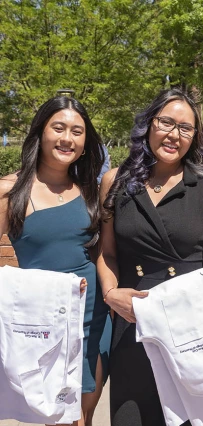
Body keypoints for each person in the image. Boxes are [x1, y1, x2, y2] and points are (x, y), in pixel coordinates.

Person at [97, 88, 203, 426]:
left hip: (189, 322)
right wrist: (111, 294)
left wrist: (171, 301)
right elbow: (107, 252)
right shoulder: (115, 181)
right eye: (166, 123)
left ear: (195, 137)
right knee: (132, 416)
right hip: (132, 320)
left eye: (186, 128)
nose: (174, 135)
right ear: (149, 124)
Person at [0, 96, 111, 426]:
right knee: (56, 417)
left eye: (77, 131)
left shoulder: (90, 189)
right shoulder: (11, 188)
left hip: (93, 317)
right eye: (58, 128)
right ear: (41, 133)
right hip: (43, 324)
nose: (68, 138)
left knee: (83, 415)